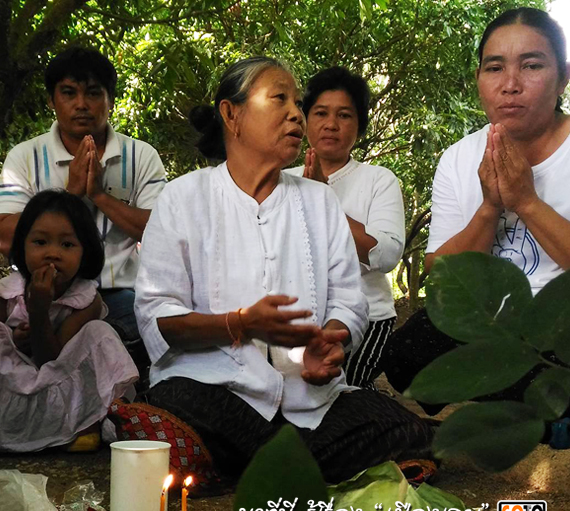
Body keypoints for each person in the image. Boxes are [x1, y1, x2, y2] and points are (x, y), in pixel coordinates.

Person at [134, 57, 432, 484]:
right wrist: (238, 324)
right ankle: (297, 468)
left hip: (308, 401)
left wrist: (331, 341)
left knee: (404, 425)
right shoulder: (182, 198)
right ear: (231, 114)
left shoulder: (320, 201)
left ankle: (246, 468)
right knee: (174, 398)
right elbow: (158, 317)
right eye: (280, 99)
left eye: (297, 102)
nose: (296, 112)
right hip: (215, 393)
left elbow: (350, 300)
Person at [382, 7, 570, 402]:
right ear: (479, 80)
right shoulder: (459, 157)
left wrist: (527, 202)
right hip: (490, 320)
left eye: (531, 65)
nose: (511, 84)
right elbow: (441, 276)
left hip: (560, 321)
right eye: (495, 68)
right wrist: (488, 209)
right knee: (405, 355)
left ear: (563, 79)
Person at [0, 47, 167, 376]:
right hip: (43, 290)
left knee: (140, 337)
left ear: (111, 100)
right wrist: (70, 194)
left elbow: (159, 232)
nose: (81, 105)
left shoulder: (140, 156)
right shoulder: (25, 156)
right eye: (69, 93)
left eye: (93, 93)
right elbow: (4, 237)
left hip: (117, 293)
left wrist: (99, 194)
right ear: (51, 100)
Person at [0, 191, 138, 453]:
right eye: (41, 242)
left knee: (100, 332)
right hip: (12, 384)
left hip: (58, 384)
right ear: (23, 246)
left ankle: (88, 424)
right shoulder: (9, 290)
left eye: (67, 245)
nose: (52, 254)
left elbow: (51, 361)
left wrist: (39, 311)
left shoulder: (86, 299)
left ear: (85, 251)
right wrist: (13, 337)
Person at [286, 67, 405, 389]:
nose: (331, 124)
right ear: (304, 119)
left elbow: (387, 253)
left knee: (332, 392)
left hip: (367, 317)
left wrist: (324, 199)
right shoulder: (282, 180)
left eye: (344, 115)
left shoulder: (378, 180)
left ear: (359, 125)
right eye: (320, 113)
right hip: (297, 319)